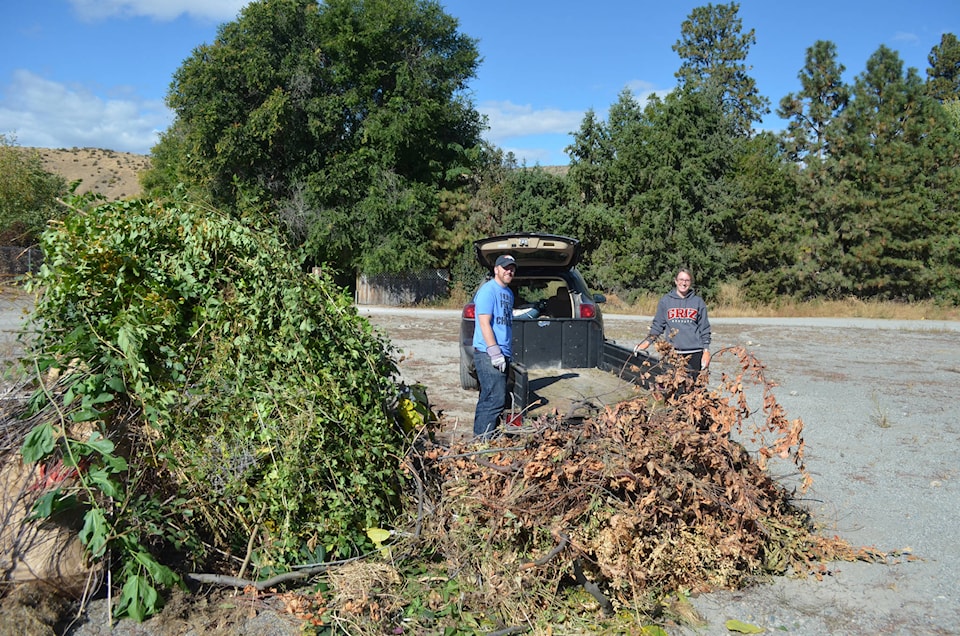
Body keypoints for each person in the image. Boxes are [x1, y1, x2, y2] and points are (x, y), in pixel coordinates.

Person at [634, 268, 711, 375]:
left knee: (694, 388)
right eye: (681, 279)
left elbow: (704, 328)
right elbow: (658, 325)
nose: (683, 283)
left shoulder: (698, 302)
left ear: (690, 282)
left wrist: (706, 351)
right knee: (671, 385)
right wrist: (646, 343)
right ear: (675, 281)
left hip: (694, 353)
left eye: (687, 280)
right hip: (672, 353)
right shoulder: (666, 301)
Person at [472, 254, 517, 439]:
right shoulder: (488, 291)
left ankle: (482, 439)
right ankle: (482, 443)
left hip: (502, 353)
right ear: (496, 269)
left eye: (512, 268)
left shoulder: (508, 293)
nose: (509, 271)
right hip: (488, 353)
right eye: (506, 267)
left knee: (490, 398)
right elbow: (484, 323)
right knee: (495, 400)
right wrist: (494, 352)